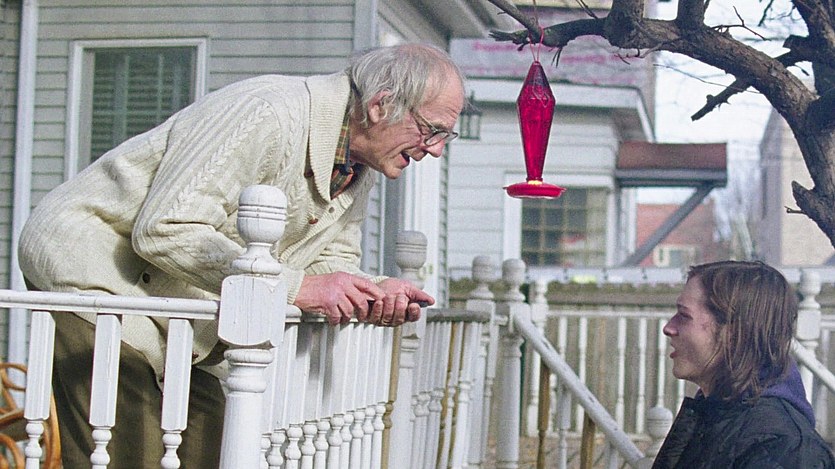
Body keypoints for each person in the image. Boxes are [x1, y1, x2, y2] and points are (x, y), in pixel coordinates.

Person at [18, 43, 464, 468]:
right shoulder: (267, 112)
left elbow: (328, 260)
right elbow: (164, 228)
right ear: (380, 106)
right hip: (99, 272)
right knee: (132, 451)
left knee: (213, 448)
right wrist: (296, 288)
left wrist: (371, 290)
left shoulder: (357, 163)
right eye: (433, 131)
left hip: (179, 307)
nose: (437, 150)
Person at [653, 260, 835, 468]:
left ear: (735, 332)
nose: (668, 328)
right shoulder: (716, 416)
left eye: (684, 316)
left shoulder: (784, 448)